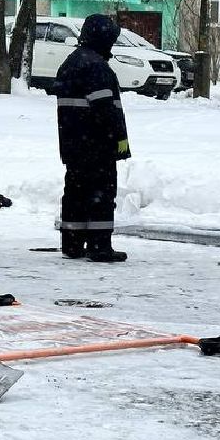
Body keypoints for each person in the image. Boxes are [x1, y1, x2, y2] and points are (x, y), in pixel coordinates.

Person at [53, 14, 131, 263]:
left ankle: (73, 243)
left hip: (73, 143)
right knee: (100, 193)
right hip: (97, 144)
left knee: (75, 192)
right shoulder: (96, 66)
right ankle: (100, 246)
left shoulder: (71, 63)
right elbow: (105, 108)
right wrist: (119, 139)